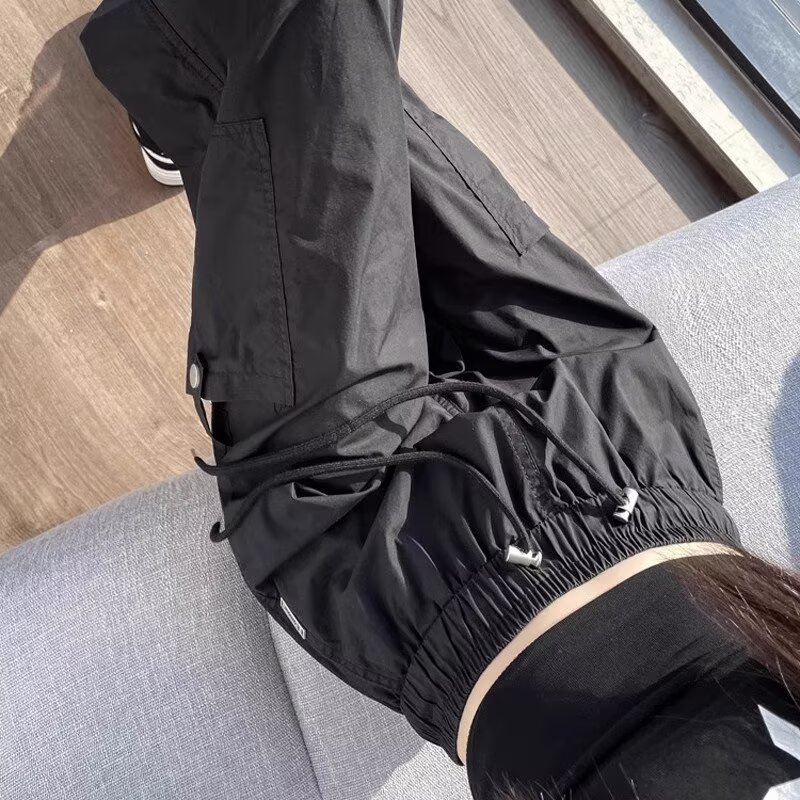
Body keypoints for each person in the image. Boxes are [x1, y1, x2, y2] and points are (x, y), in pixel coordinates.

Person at [80, 1, 800, 797]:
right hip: (633, 451)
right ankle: (180, 73)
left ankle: (173, 62)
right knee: (351, 98)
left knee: (327, 52)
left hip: (392, 548)